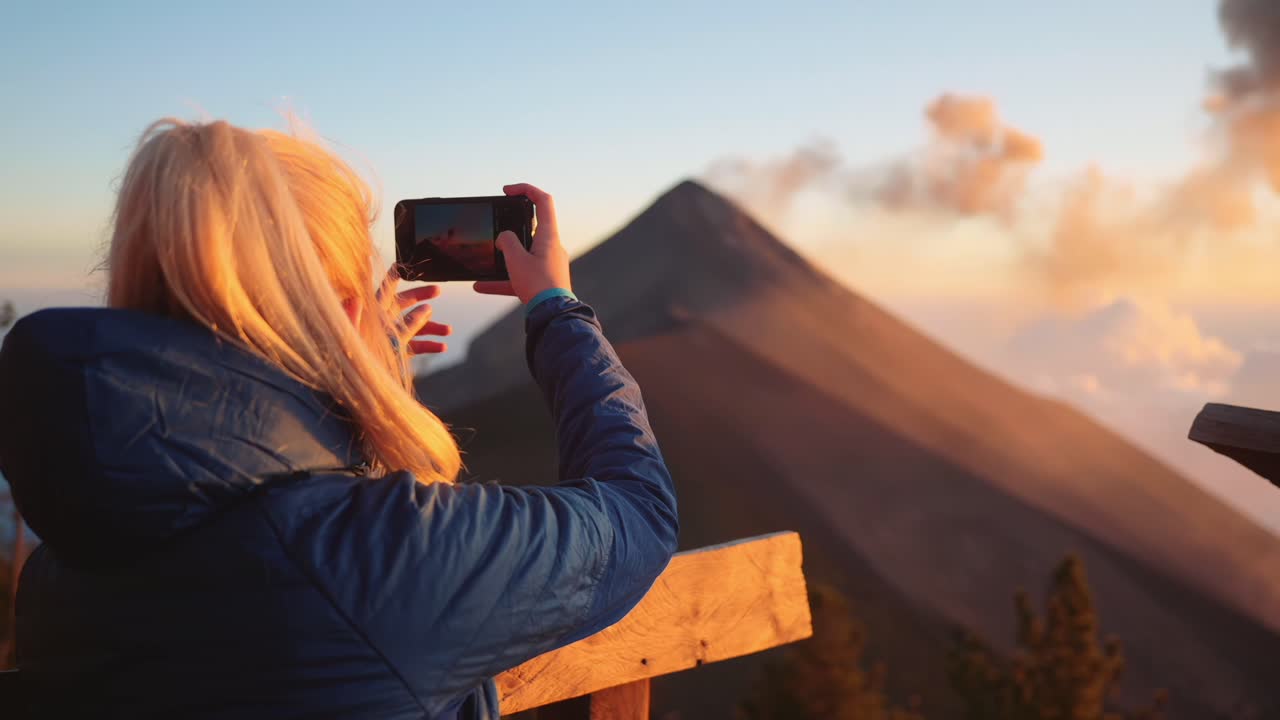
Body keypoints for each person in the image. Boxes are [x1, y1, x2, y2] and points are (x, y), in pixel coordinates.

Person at [0, 119, 678, 719]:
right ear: (348, 311)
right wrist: (555, 310)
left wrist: (346, 384)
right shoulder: (391, 559)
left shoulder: (58, 576)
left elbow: (259, 496)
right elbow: (638, 513)